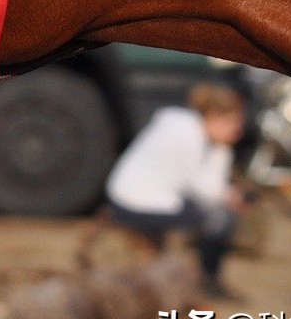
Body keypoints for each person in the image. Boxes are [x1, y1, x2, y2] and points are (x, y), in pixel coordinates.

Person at [104, 83, 247, 299]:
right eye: (230, 124)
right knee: (217, 219)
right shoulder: (185, 135)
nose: (236, 132)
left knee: (213, 214)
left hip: (144, 198)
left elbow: (207, 187)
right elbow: (202, 190)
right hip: (134, 201)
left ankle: (196, 276)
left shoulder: (204, 139)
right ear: (211, 116)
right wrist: (230, 196)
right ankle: (205, 279)